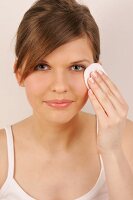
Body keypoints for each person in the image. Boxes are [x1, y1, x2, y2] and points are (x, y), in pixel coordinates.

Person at [0, 0, 133, 199]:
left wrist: (112, 150)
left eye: (76, 67)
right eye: (42, 66)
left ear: (97, 72)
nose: (60, 86)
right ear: (19, 73)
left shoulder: (125, 139)